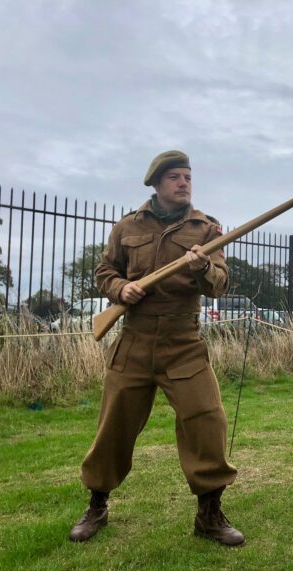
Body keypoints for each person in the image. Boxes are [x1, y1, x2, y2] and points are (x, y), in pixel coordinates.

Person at [69, 150, 244, 546]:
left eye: (188, 177)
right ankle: (97, 504)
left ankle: (209, 514)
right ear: (157, 184)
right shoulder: (126, 227)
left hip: (183, 343)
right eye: (175, 178)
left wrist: (201, 267)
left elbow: (220, 284)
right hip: (134, 340)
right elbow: (104, 271)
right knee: (115, 426)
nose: (184, 183)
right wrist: (120, 288)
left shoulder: (207, 229)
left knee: (207, 420)